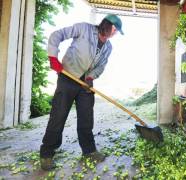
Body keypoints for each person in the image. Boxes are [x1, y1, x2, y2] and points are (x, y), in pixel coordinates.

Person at [39, 14, 124, 171]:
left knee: (86, 118)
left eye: (116, 31)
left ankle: (89, 151)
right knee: (58, 116)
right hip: (67, 77)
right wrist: (53, 57)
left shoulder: (108, 47)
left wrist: (91, 77)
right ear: (107, 25)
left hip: (85, 83)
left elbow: (101, 66)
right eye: (115, 29)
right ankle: (47, 153)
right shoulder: (83, 28)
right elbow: (57, 35)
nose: (115, 33)